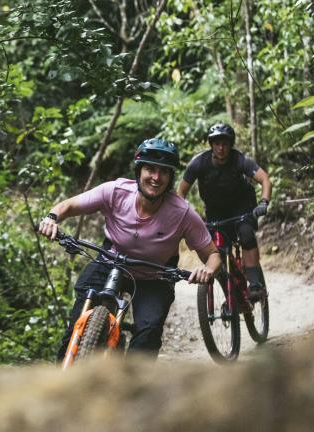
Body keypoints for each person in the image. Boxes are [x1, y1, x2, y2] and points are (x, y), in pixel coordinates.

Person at [39, 138, 222, 360]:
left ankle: (132, 387)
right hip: (110, 261)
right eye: (150, 169)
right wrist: (51, 218)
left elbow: (212, 254)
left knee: (148, 331)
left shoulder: (182, 213)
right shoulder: (115, 191)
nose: (156, 177)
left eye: (164, 171)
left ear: (171, 177)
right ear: (138, 170)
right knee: (76, 325)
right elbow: (69, 205)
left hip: (154, 274)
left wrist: (208, 271)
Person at [177, 123, 272, 299]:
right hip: (215, 212)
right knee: (215, 252)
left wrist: (264, 202)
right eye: (217, 143)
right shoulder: (199, 163)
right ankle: (231, 297)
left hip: (242, 207)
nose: (221, 148)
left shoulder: (240, 160)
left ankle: (255, 284)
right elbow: (181, 191)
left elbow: (264, 179)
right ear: (211, 144)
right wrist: (184, 212)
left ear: (231, 145)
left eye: (225, 143)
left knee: (246, 234)